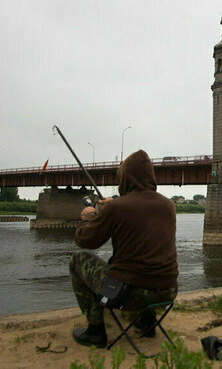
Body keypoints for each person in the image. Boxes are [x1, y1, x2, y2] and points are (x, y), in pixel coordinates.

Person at [69, 149, 178, 348]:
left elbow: (86, 240)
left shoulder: (117, 209)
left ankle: (95, 330)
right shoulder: (168, 205)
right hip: (168, 292)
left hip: (132, 295)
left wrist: (88, 217)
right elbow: (138, 212)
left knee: (78, 259)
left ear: (125, 178)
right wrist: (116, 204)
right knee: (147, 261)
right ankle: (147, 323)